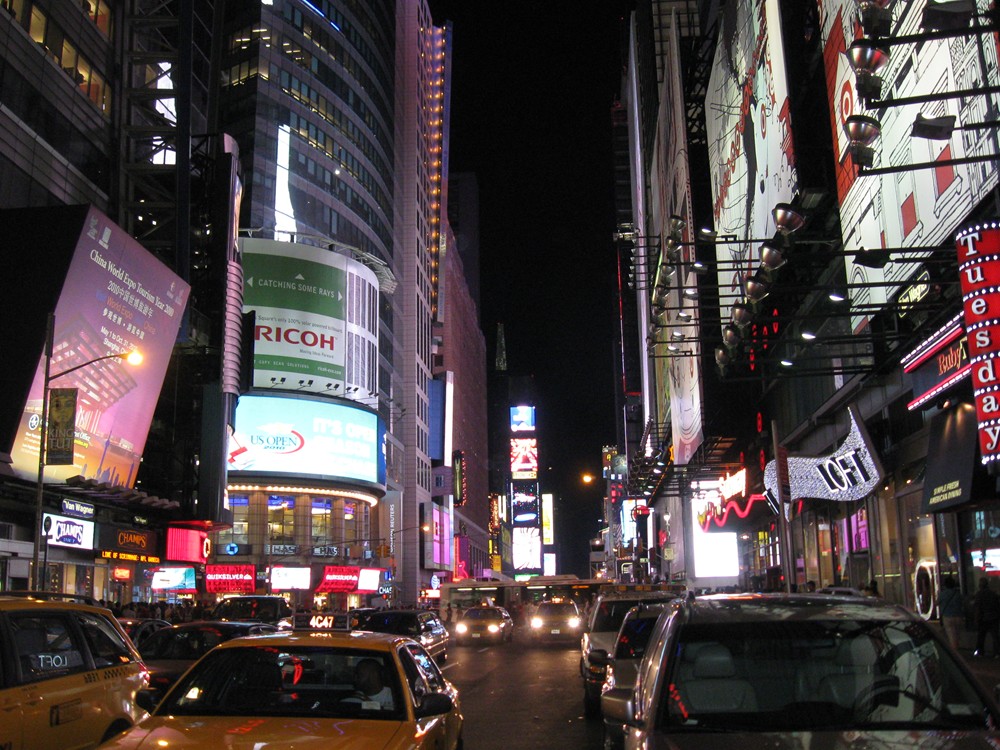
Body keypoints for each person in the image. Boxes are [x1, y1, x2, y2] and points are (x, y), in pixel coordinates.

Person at [975, 577, 1000, 657]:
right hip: (993, 617)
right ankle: (997, 652)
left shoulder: (979, 594)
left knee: (981, 636)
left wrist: (977, 618)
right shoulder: (993, 594)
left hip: (983, 618)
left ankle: (980, 652)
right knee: (995, 636)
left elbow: (978, 607)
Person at [938, 575, 964, 651]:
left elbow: (937, 603)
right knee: (957, 634)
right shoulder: (958, 594)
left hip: (947, 616)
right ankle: (957, 648)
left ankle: (954, 652)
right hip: (958, 616)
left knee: (951, 635)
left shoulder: (943, 594)